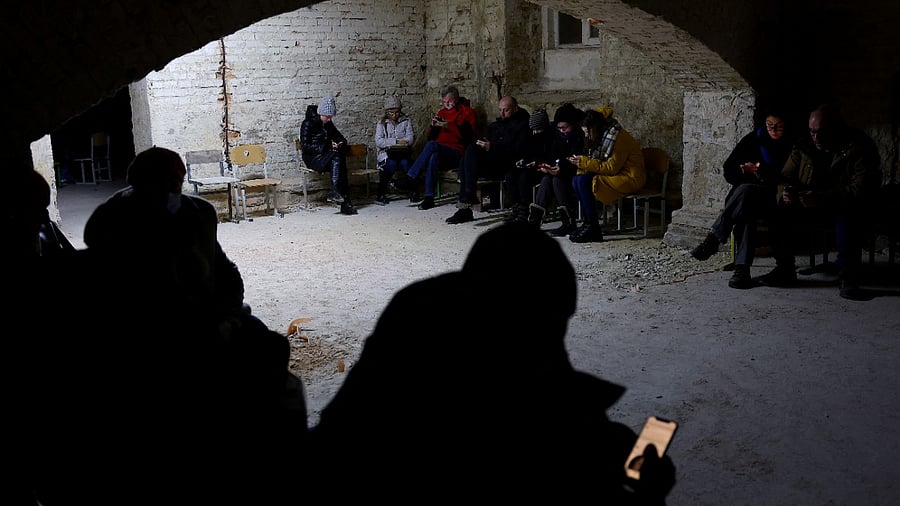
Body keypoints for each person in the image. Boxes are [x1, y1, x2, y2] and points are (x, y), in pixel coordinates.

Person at [309, 221, 676, 501]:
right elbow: (553, 425)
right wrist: (634, 458)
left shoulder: (419, 304)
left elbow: (339, 429)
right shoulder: (516, 350)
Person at [758, 103, 882, 300]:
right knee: (777, 211)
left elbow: (862, 189)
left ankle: (848, 276)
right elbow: (785, 177)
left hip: (839, 204)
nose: (815, 137)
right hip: (806, 204)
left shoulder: (858, 146)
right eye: (811, 131)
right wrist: (786, 194)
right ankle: (784, 269)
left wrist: (823, 199)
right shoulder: (803, 145)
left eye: (821, 132)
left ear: (835, 128)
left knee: (848, 214)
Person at [690, 107, 795, 289]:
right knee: (747, 206)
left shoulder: (792, 145)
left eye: (778, 126)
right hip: (747, 200)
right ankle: (741, 271)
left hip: (773, 198)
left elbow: (790, 176)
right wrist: (743, 171)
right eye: (770, 125)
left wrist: (767, 175)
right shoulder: (753, 140)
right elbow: (729, 171)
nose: (774, 130)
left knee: (746, 196)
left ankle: (717, 241)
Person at [445, 95, 530, 224]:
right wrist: (485, 145)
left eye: (505, 110)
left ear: (515, 109)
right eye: (500, 109)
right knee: (468, 155)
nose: (501, 113)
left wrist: (492, 147)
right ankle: (466, 204)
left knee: (468, 157)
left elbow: (516, 151)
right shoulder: (496, 125)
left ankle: (467, 201)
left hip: (508, 164)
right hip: (493, 160)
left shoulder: (522, 126)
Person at [568, 107, 645, 243]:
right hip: (618, 174)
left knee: (584, 182)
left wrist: (584, 162)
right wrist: (582, 164)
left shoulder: (618, 137)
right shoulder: (605, 136)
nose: (586, 136)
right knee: (576, 180)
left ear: (595, 128)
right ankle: (588, 223)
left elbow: (611, 168)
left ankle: (593, 227)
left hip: (629, 178)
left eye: (587, 132)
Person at [394, 85, 477, 210]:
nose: (446, 104)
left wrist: (449, 126)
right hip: (440, 150)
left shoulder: (467, 112)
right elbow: (431, 138)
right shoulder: (442, 112)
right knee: (433, 156)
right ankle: (429, 198)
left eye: (449, 101)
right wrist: (433, 127)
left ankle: (411, 177)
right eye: (444, 102)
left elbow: (469, 137)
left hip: (458, 152)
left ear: (456, 98)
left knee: (432, 147)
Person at [527, 103, 586, 236]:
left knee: (556, 180)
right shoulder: (558, 137)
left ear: (573, 124)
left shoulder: (580, 137)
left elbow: (579, 159)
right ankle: (535, 221)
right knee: (548, 178)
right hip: (562, 172)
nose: (562, 131)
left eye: (565, 128)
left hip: (577, 173)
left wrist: (562, 168)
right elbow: (554, 156)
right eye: (559, 128)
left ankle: (568, 222)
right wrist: (549, 166)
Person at [300, 94, 358, 215]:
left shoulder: (328, 124)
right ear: (320, 113)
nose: (329, 119)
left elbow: (342, 139)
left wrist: (340, 144)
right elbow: (305, 146)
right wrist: (326, 146)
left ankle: (340, 197)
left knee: (340, 163)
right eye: (327, 116)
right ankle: (342, 199)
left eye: (331, 116)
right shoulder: (307, 123)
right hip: (313, 158)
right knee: (338, 158)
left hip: (327, 157)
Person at [508, 107, 554, 224]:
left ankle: (524, 210)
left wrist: (537, 163)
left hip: (543, 168)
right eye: (533, 129)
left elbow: (550, 157)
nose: (535, 132)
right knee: (511, 174)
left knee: (524, 177)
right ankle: (516, 207)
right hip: (532, 166)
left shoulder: (551, 138)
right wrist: (522, 160)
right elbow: (527, 152)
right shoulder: (532, 135)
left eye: (537, 129)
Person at [373, 94, 415, 205]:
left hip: (402, 154)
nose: (394, 115)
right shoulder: (382, 123)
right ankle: (381, 194)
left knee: (407, 164)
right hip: (387, 154)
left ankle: (413, 191)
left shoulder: (406, 121)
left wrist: (404, 143)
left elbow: (410, 138)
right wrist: (396, 142)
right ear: (387, 112)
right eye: (391, 112)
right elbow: (379, 141)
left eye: (396, 112)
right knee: (390, 164)